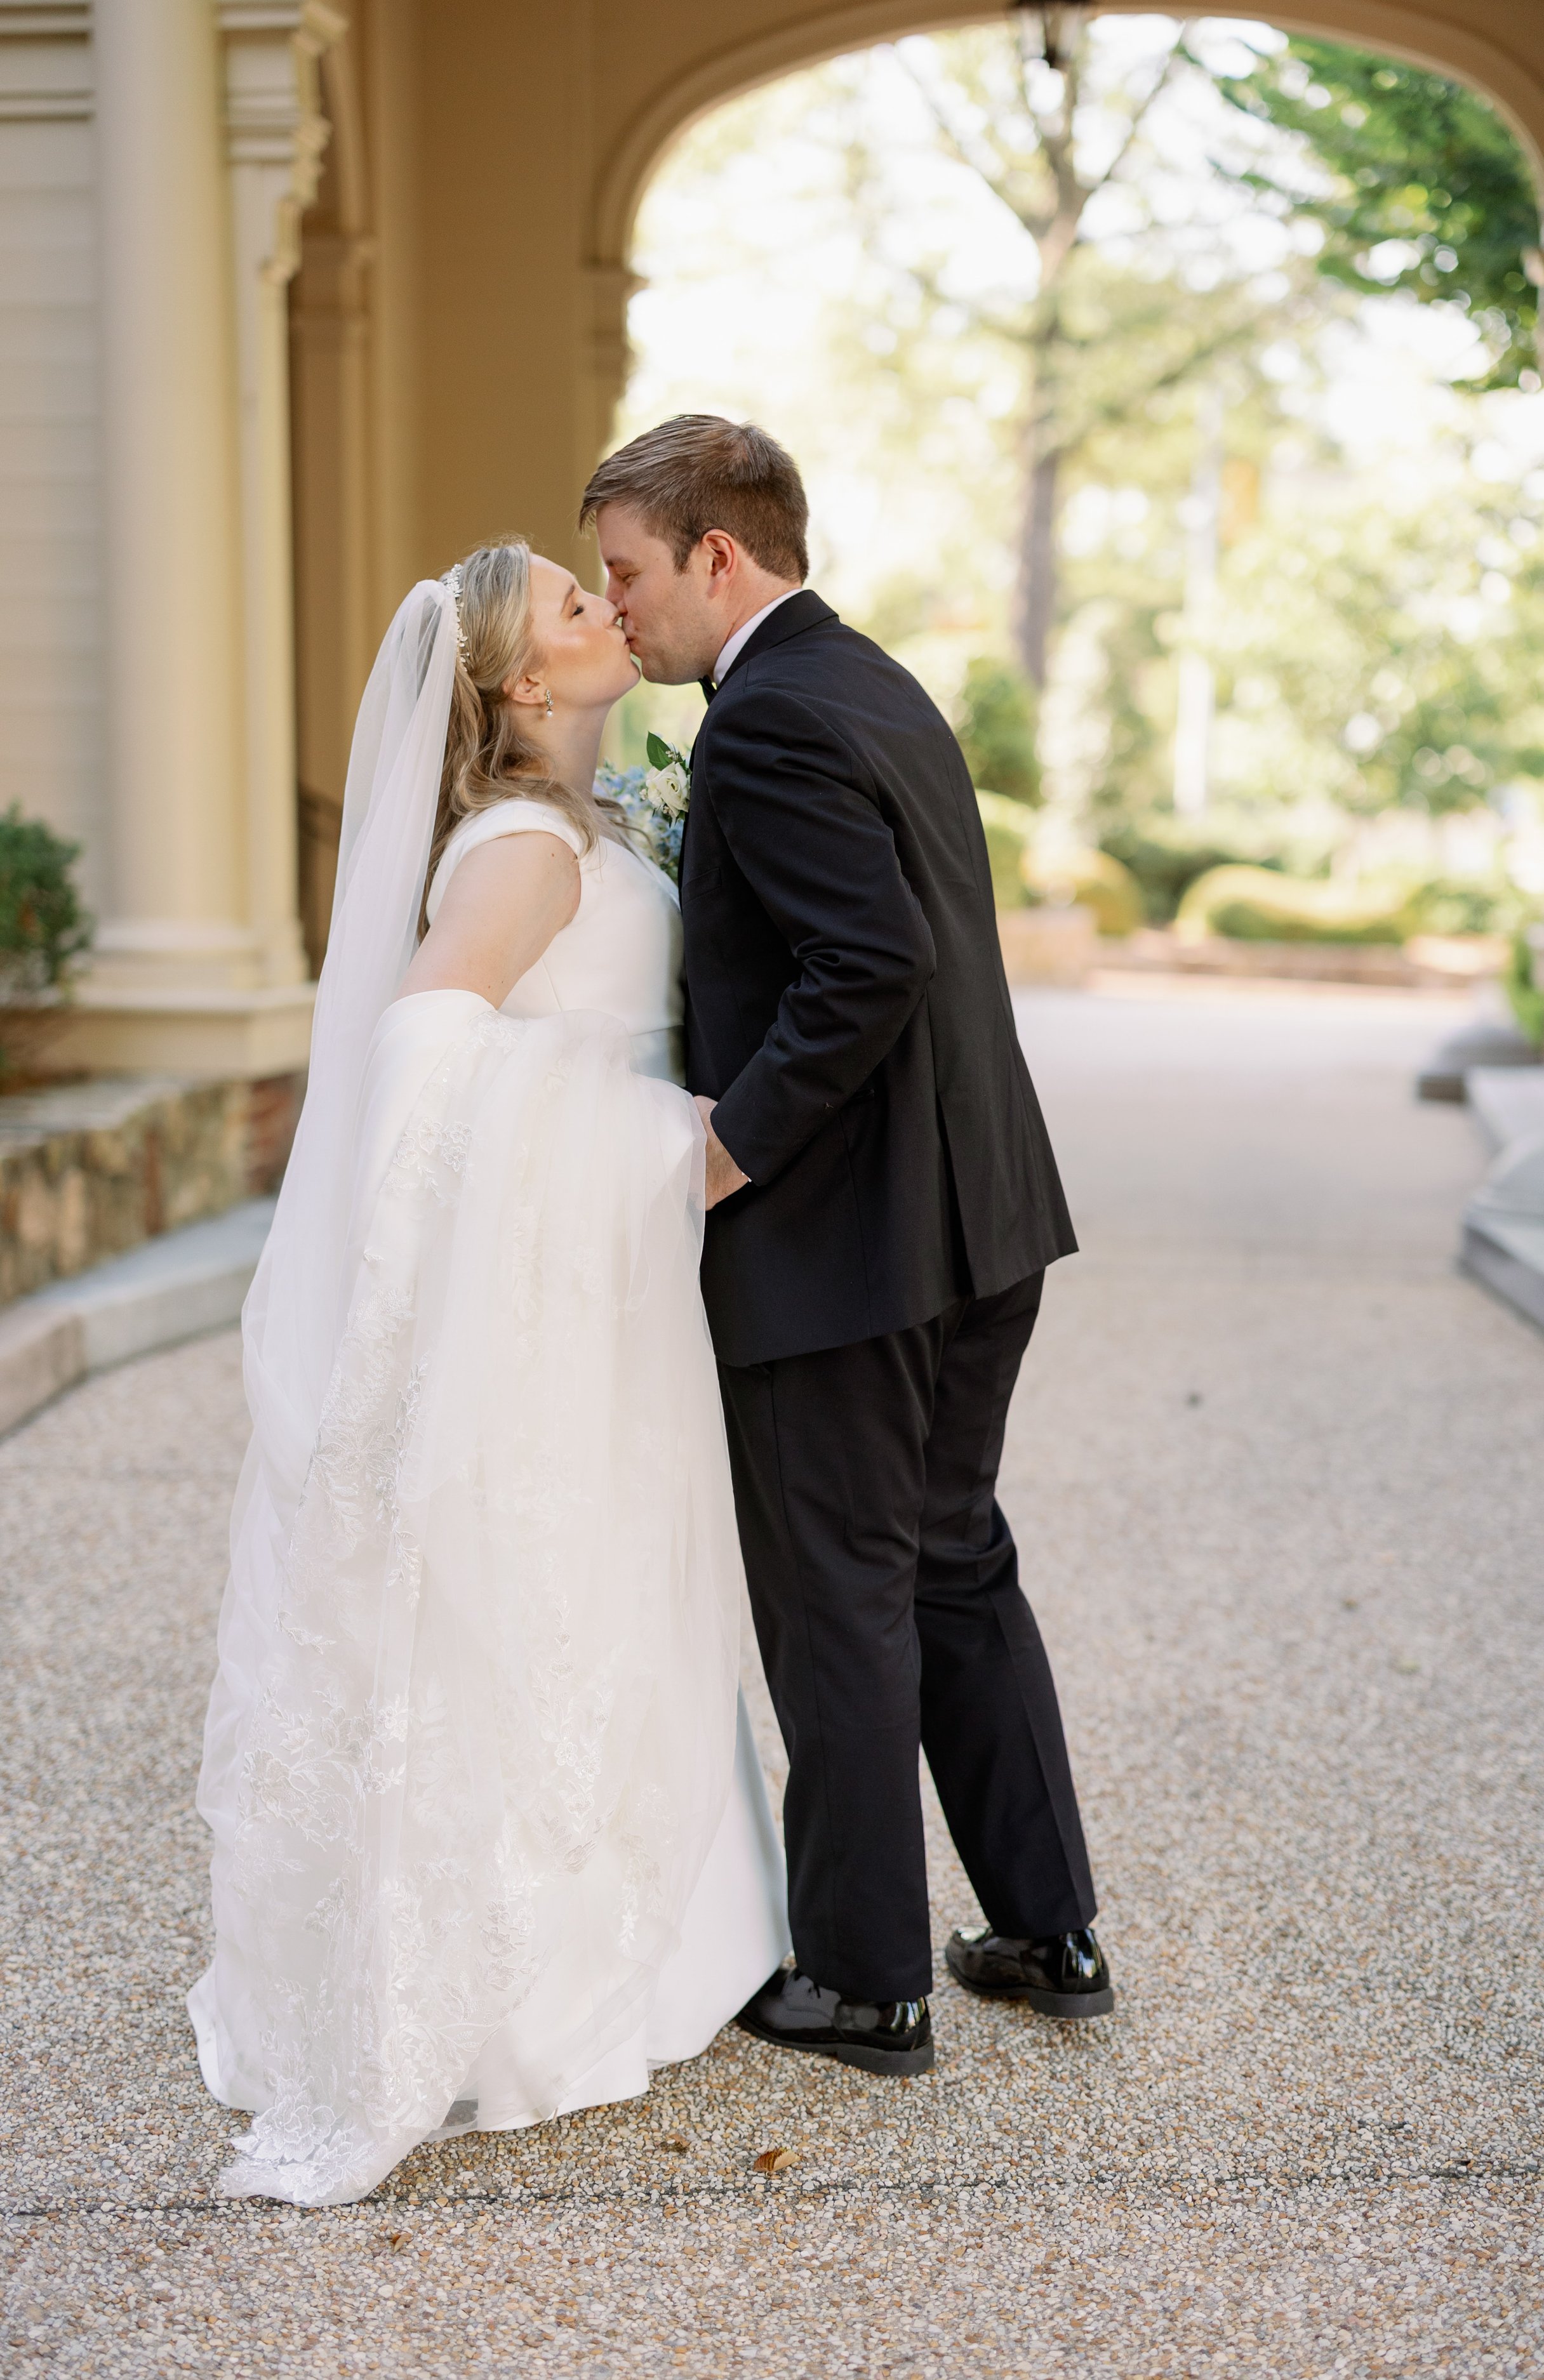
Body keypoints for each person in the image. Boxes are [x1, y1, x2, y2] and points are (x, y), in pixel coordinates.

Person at [188, 539, 790, 2207]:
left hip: (602, 1282)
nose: (609, 613)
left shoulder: (591, 827)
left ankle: (673, 1932)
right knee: (541, 1583)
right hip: (553, 1273)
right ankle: (519, 1989)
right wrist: (654, 1138)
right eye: (575, 610)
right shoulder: (522, 847)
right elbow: (426, 1040)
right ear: (523, 685)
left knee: (610, 1577)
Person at [583, 416, 1113, 2079]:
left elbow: (865, 963)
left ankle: (867, 1984)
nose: (620, 608)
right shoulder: (869, 680)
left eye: (627, 571)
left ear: (716, 554)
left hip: (843, 1252)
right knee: (951, 1562)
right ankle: (1044, 1933)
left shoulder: (762, 725)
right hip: (980, 1224)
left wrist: (721, 1154)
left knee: (841, 1602)